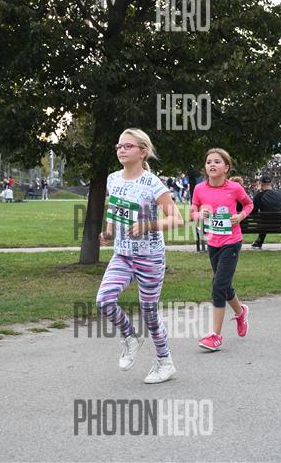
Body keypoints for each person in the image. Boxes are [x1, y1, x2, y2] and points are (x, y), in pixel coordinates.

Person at [97, 128, 183, 383]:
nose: (121, 150)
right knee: (104, 300)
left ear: (143, 152)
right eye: (119, 146)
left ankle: (165, 363)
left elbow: (177, 219)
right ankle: (130, 337)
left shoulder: (152, 183)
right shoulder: (113, 179)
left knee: (149, 313)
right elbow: (115, 209)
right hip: (122, 255)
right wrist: (109, 231)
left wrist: (148, 226)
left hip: (149, 256)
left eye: (128, 146)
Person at [191, 148, 253, 352]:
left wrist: (240, 216)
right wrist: (199, 214)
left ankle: (215, 336)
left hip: (232, 242)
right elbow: (193, 210)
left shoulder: (234, 188)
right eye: (209, 161)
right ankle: (241, 312)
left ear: (226, 168)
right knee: (224, 286)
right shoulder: (199, 189)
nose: (212, 164)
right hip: (213, 243)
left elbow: (248, 204)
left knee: (218, 286)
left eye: (217, 162)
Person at [250, 174, 281, 249]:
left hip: (264, 224)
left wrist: (258, 192)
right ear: (271, 183)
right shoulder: (279, 194)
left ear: (261, 183)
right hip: (278, 224)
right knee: (266, 218)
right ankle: (258, 241)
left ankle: (259, 241)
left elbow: (253, 211)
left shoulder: (259, 195)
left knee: (263, 219)